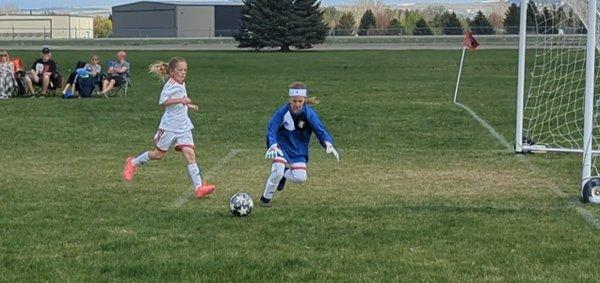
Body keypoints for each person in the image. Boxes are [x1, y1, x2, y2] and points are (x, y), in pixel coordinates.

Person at [122, 57, 216, 198]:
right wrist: (182, 100)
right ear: (172, 72)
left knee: (190, 155)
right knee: (158, 154)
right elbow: (163, 101)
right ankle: (133, 162)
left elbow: (180, 99)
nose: (183, 72)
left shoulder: (181, 82)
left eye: (185, 70)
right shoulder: (170, 85)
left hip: (184, 126)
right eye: (180, 70)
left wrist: (186, 104)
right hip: (169, 127)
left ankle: (199, 188)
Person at [260, 82, 340, 207]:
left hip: (298, 149)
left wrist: (328, 144)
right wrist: (272, 144)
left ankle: (285, 174)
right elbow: (271, 129)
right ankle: (265, 199)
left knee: (300, 178)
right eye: (294, 101)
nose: (297, 104)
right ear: (289, 99)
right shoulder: (282, 112)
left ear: (305, 100)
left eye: (300, 101)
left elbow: (320, 131)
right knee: (277, 172)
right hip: (281, 146)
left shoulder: (309, 114)